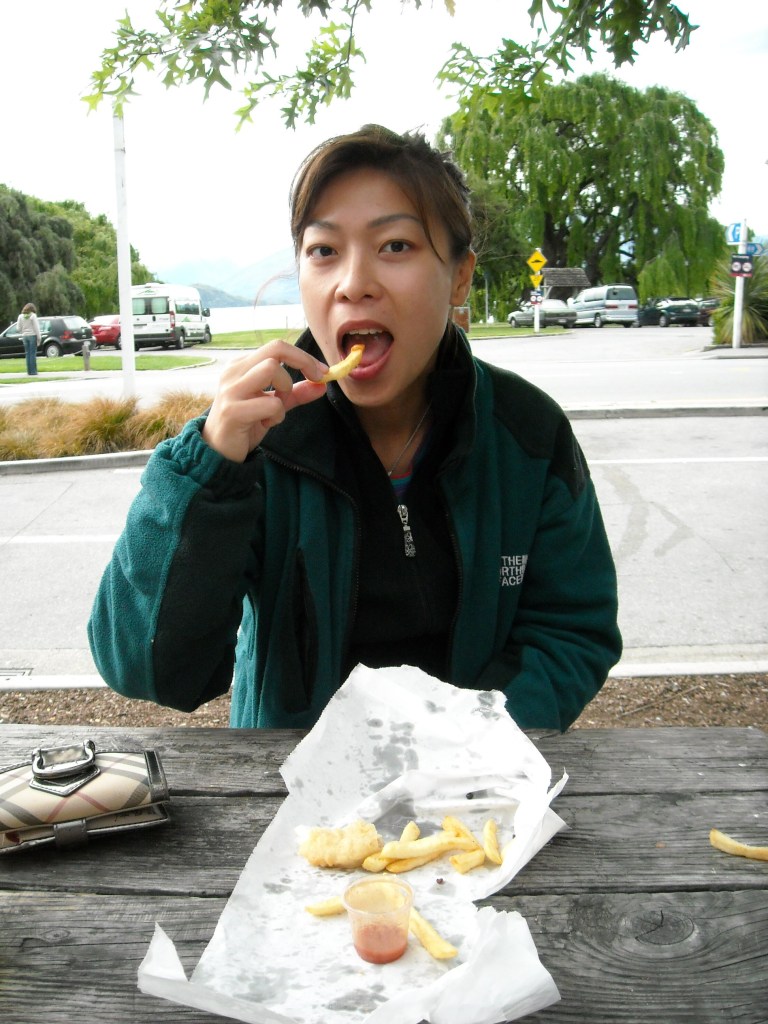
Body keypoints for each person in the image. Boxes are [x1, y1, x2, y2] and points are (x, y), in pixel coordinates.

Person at [88, 124, 622, 732]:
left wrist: (476, 743)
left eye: (395, 246)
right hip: (297, 802)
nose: (352, 283)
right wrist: (208, 471)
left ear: (460, 277)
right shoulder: (259, 440)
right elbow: (149, 672)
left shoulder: (525, 431)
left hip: (472, 796)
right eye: (324, 251)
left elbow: (573, 630)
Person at [17, 302, 41, 376]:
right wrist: (39, 338)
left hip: (24, 336)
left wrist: (23, 332)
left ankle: (29, 371)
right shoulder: (33, 316)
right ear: (32, 309)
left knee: (27, 354)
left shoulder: (20, 316)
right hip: (32, 335)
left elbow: (18, 328)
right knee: (32, 354)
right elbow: (36, 328)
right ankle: (33, 371)